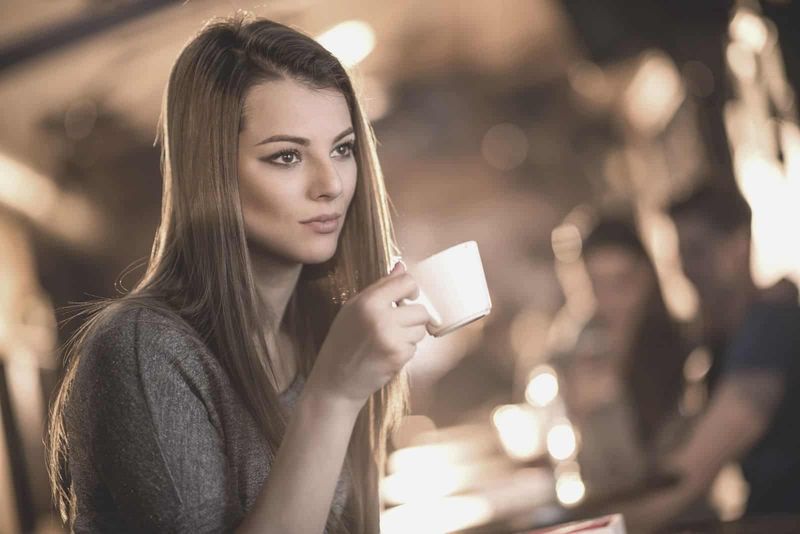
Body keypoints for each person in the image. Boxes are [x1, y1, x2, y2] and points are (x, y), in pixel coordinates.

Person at [46, 14, 435, 534]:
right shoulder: (143, 350)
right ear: (213, 174)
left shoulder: (318, 325)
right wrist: (332, 396)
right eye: (287, 156)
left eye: (342, 149)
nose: (332, 185)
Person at [622, 183, 800, 530]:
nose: (688, 270)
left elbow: (692, 471)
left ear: (739, 245)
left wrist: (609, 526)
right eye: (681, 257)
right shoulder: (719, 339)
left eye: (698, 251)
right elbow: (669, 454)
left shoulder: (772, 325)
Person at [550, 216, 691, 494]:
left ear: (646, 276)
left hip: (670, 504)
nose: (611, 298)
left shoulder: (679, 343)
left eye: (622, 282)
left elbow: (673, 453)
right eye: (598, 284)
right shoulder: (582, 346)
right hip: (606, 499)